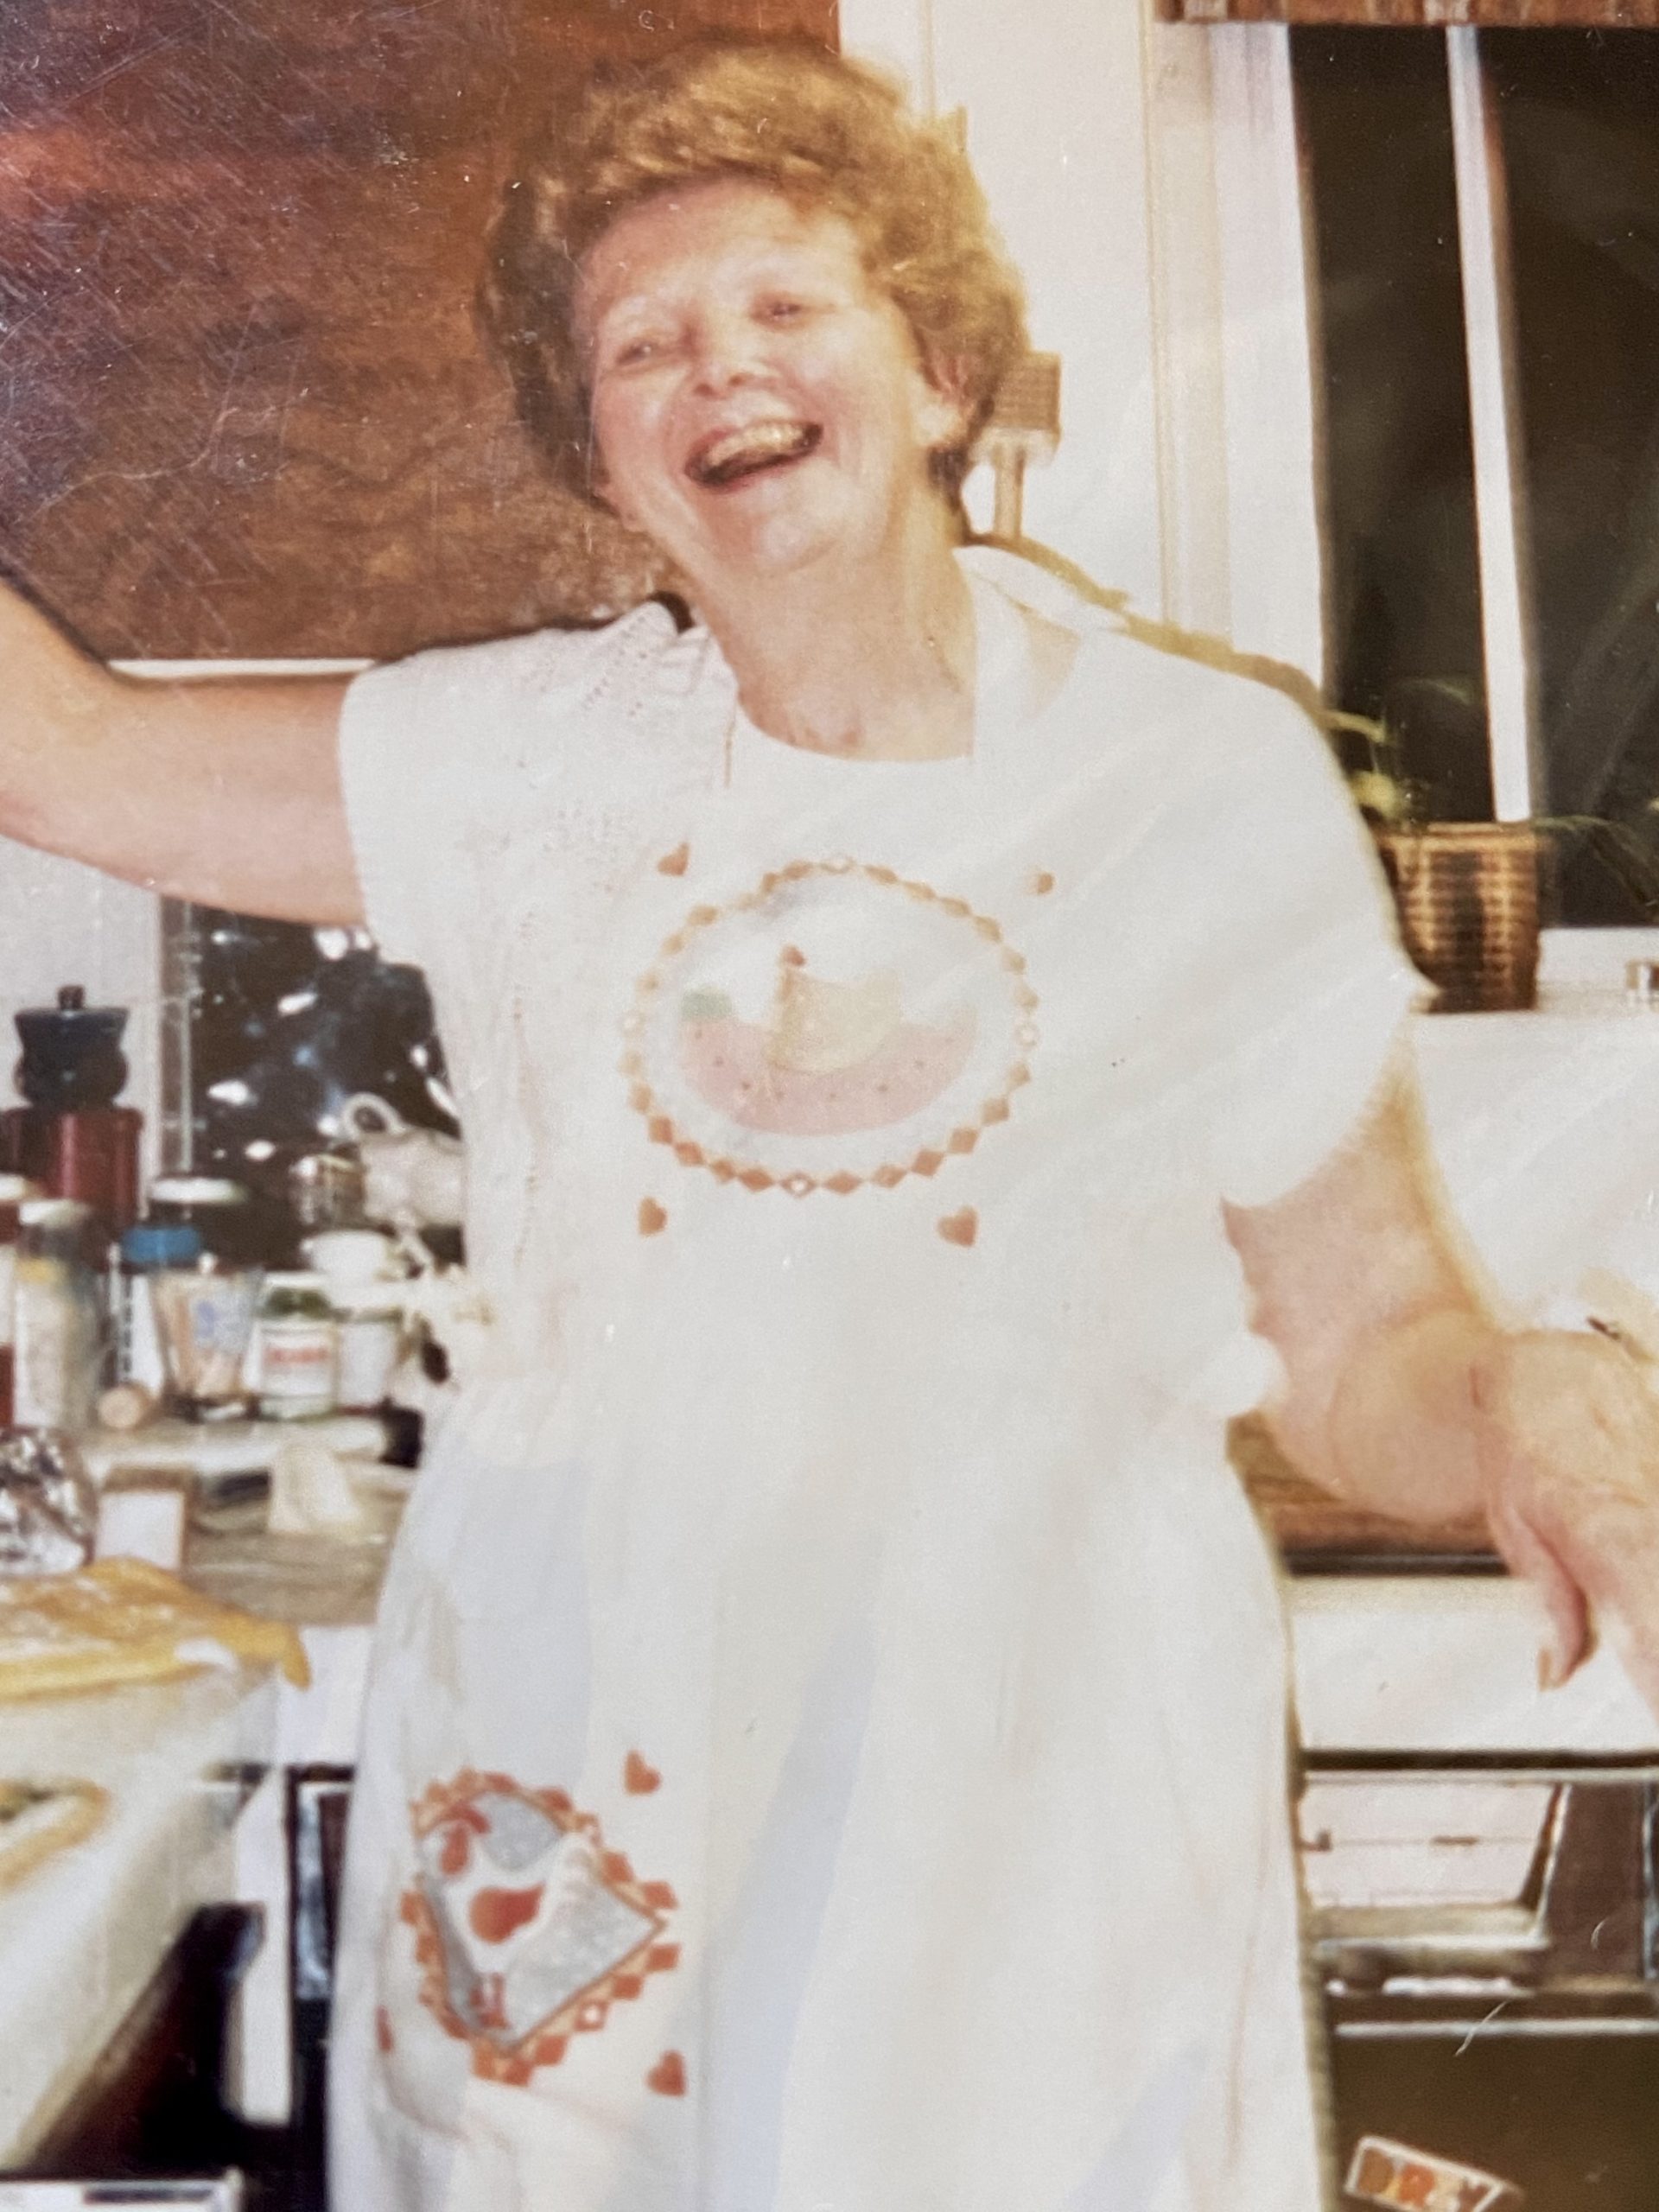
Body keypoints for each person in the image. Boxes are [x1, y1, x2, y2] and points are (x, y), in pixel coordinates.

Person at [4, 35, 1659, 2210]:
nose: (725, 374)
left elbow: (1361, 1348)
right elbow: (72, 761)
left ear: (944, 375)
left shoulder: (1194, 781)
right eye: (644, 348)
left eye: (790, 308)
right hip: (592, 1744)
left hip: (1030, 1763)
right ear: (605, 465)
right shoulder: (530, 761)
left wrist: (1539, 1394)